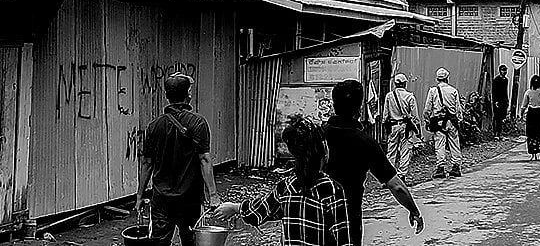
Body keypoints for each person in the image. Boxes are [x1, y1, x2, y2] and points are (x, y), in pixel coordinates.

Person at [213, 115, 353, 245]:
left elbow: (259, 210)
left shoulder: (287, 187)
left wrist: (234, 207)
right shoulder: (332, 190)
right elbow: (344, 239)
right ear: (323, 150)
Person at [325, 80, 424, 245]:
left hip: (315, 217)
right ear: (360, 107)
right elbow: (396, 185)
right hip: (348, 220)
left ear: (334, 105)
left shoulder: (319, 135)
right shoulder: (365, 142)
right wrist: (414, 210)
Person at [136, 73, 220, 246]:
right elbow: (204, 159)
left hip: (161, 199)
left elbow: (146, 163)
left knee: (159, 242)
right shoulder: (198, 123)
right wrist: (213, 195)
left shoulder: (153, 126)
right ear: (188, 94)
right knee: (191, 241)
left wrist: (139, 195)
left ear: (167, 96)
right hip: (189, 198)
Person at [423, 67, 464, 179]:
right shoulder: (453, 91)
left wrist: (427, 121)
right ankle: (456, 166)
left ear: (437, 79)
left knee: (439, 145)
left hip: (438, 122)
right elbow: (458, 109)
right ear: (447, 78)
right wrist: (459, 121)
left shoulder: (433, 91)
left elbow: (427, 109)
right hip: (451, 122)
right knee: (454, 144)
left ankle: (440, 167)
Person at [382, 73, 420, 182]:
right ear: (405, 84)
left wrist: (386, 127)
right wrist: (417, 128)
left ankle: (388, 177)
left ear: (395, 84)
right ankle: (402, 175)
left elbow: (385, 115)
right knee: (405, 151)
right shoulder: (410, 96)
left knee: (391, 151)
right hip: (405, 127)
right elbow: (415, 116)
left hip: (393, 126)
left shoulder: (389, 96)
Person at [519, 75, 540, 160]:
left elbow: (524, 106)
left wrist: (521, 115)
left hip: (531, 113)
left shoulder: (528, 92)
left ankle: (533, 154)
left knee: (531, 134)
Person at [492, 65, 510, 140]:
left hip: (503, 100)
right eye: (503, 70)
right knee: (497, 117)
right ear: (500, 71)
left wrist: (507, 100)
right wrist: (495, 101)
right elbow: (494, 91)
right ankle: (495, 133)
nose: (504, 72)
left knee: (502, 117)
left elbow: (505, 91)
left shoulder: (506, 80)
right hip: (497, 100)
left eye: (505, 70)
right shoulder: (496, 80)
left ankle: (499, 133)